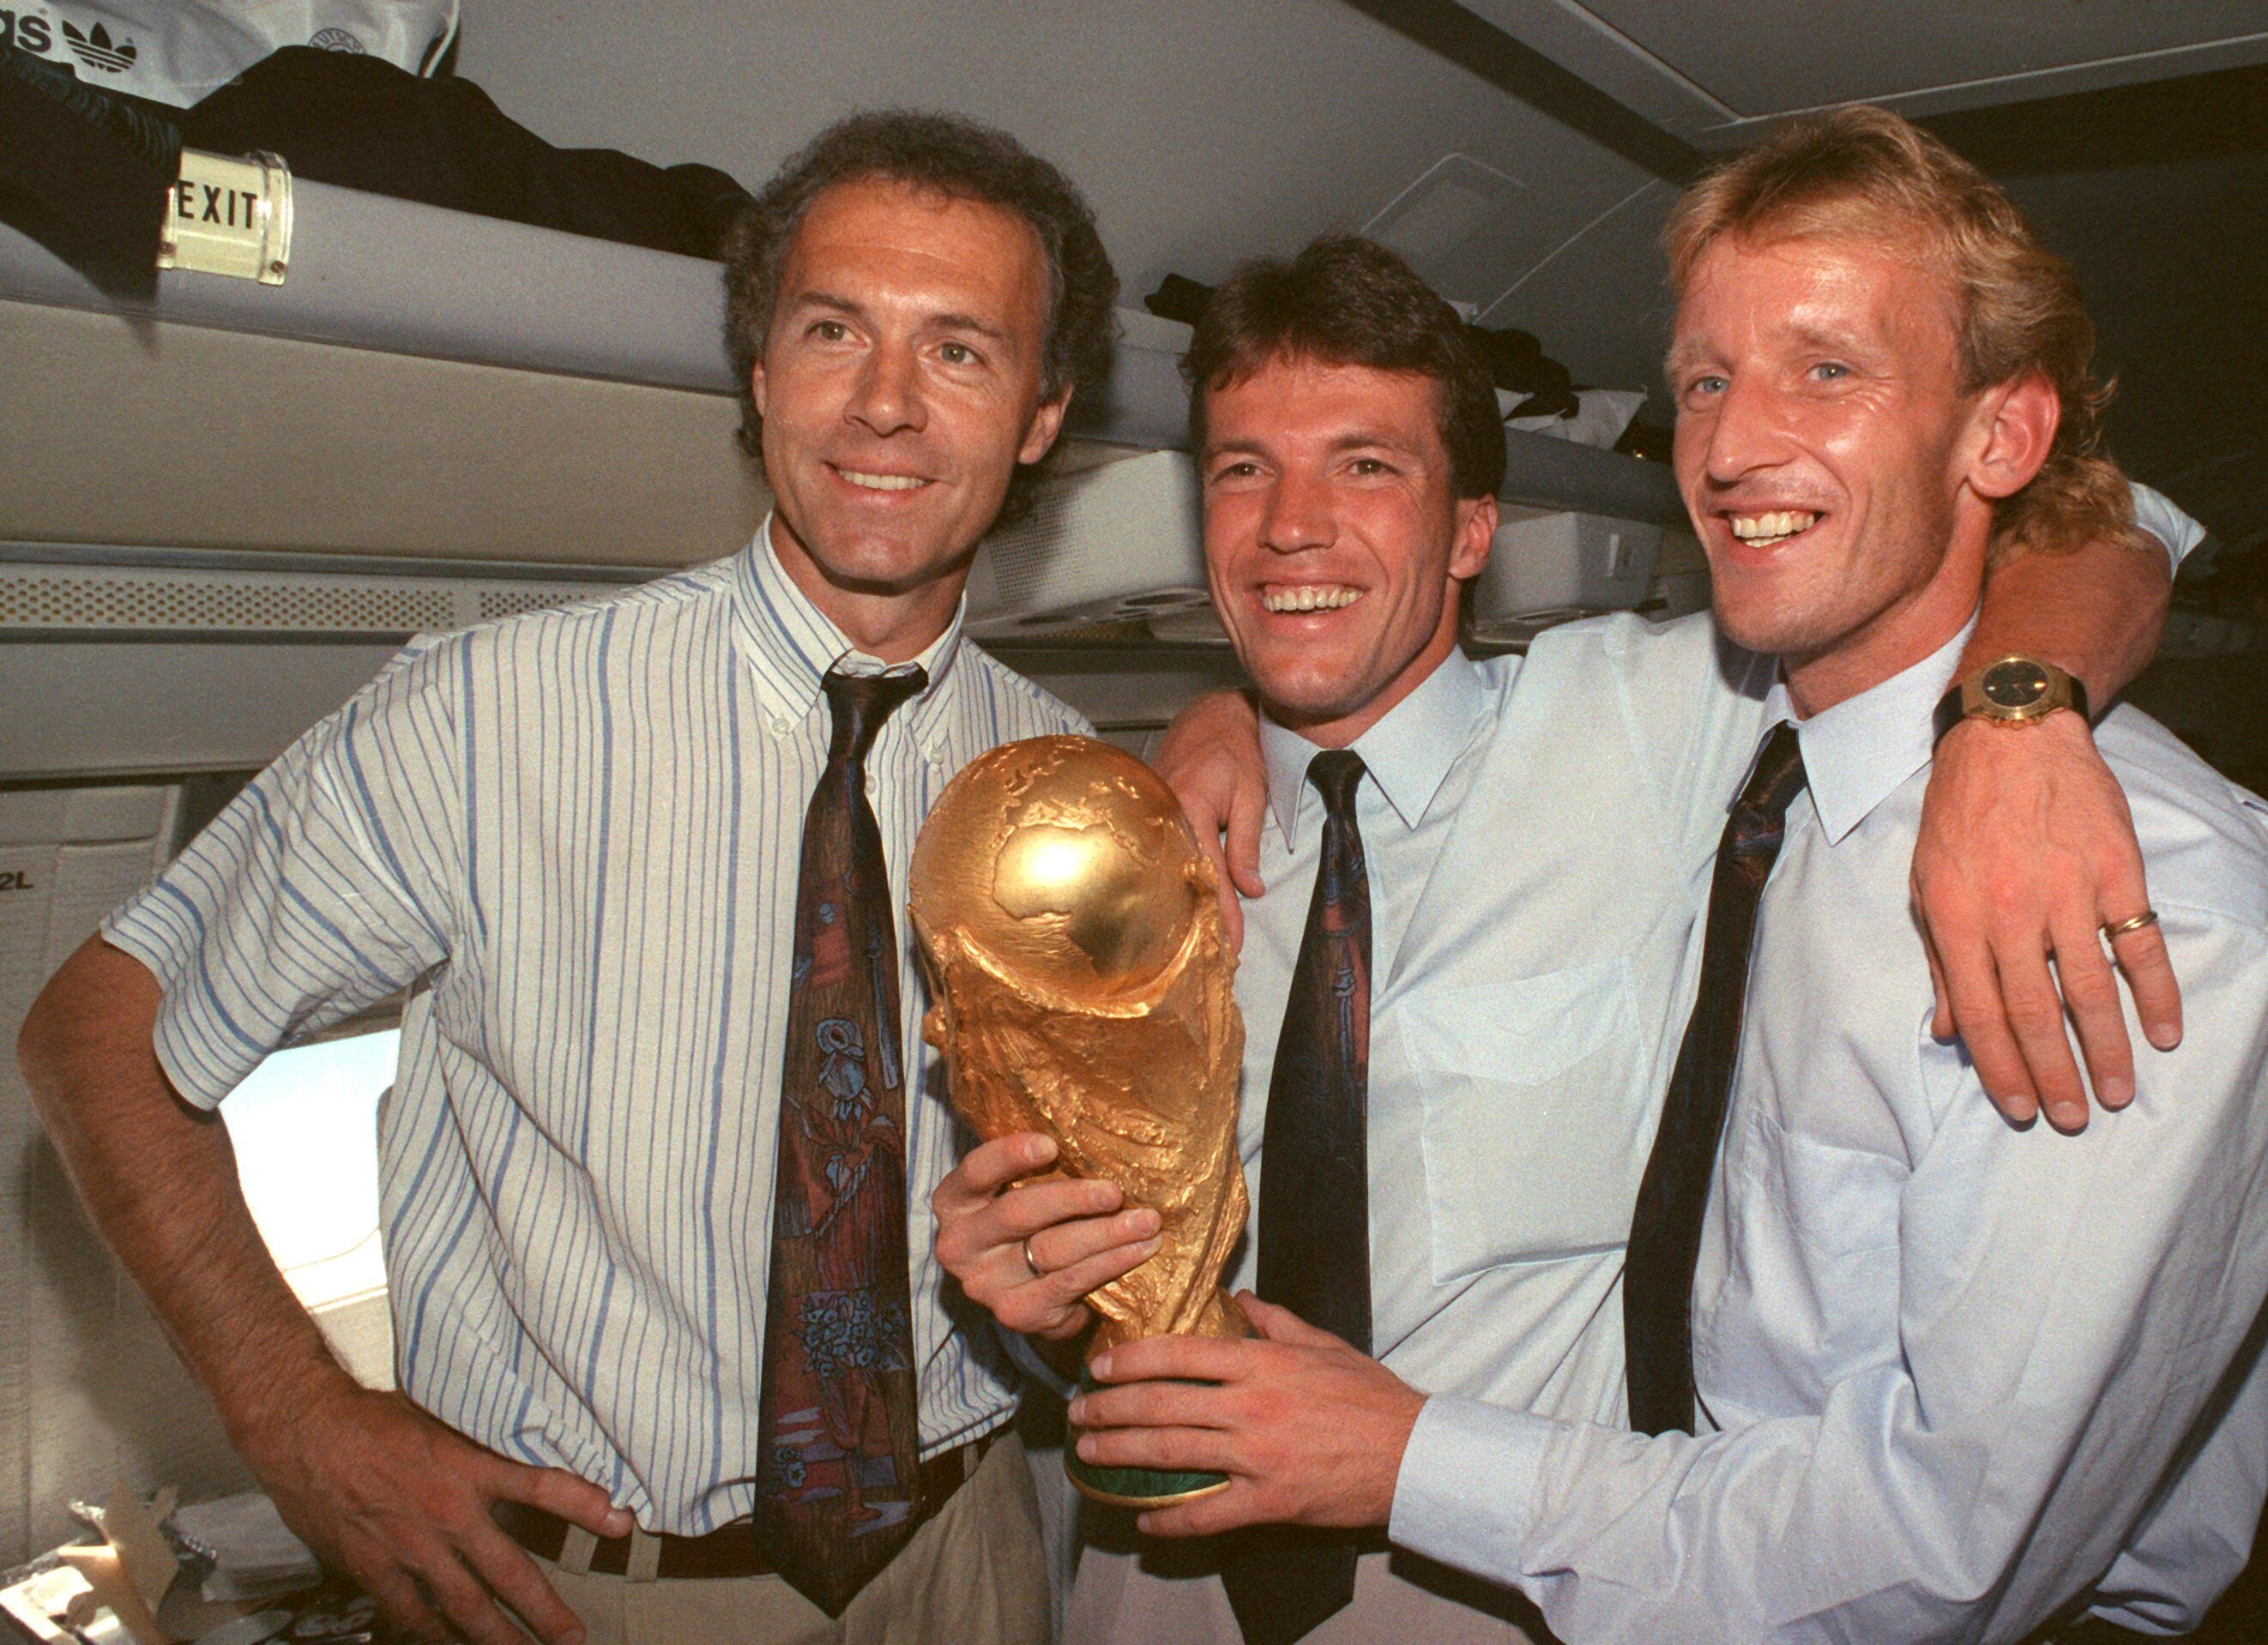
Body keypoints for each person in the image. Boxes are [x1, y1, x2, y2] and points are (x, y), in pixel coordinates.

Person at [1063, 111, 2268, 1642]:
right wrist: (1217, 716)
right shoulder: (1780, 759)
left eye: (1825, 368)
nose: (1730, 438)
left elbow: (1948, 1546)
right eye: (1705, 379)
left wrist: (2019, 713)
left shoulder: (2113, 889)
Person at [16, 110, 1117, 1645]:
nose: (883, 406)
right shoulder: (485, 713)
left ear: (1043, 413)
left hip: (969, 1557)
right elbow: (95, 1032)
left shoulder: (1074, 785)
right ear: (757, 373)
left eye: (959, 351)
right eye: (831, 331)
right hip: (592, 1593)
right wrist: (296, 1417)